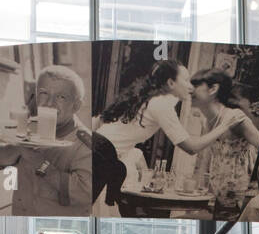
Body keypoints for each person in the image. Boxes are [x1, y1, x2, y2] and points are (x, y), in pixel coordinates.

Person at [95, 60, 246, 179]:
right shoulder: (162, 103)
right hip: (101, 157)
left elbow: (100, 122)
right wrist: (225, 125)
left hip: (99, 151)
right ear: (171, 83)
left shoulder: (154, 98)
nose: (191, 87)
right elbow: (191, 148)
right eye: (186, 80)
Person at [0, 65, 92, 216]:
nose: (49, 103)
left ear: (76, 105)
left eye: (61, 97)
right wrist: (20, 144)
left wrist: (39, 163)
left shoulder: (85, 144)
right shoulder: (29, 128)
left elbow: (84, 195)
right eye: (44, 94)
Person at [190, 68, 259, 220]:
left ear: (213, 89)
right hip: (219, 197)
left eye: (196, 85)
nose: (190, 89)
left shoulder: (235, 118)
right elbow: (206, 156)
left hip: (241, 199)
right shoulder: (206, 120)